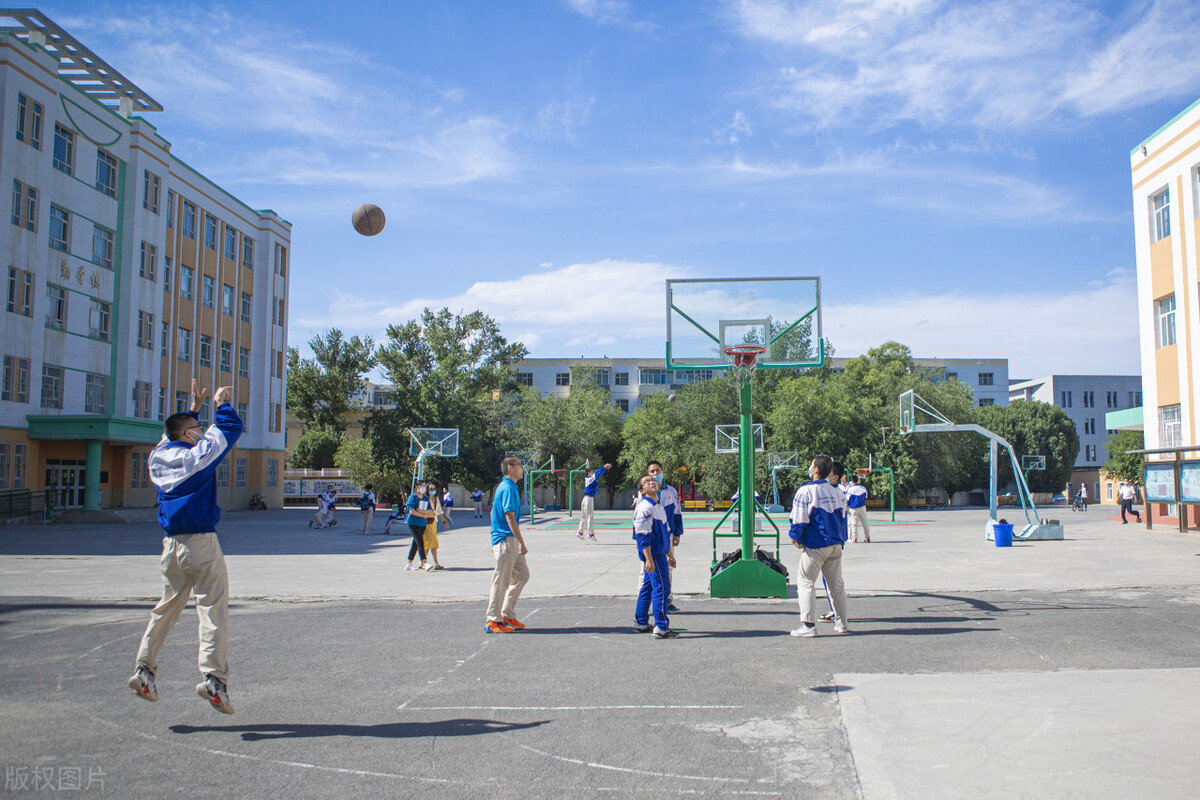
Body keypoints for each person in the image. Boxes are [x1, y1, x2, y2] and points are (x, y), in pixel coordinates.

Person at [127, 380, 242, 715]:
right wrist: (221, 403)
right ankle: (214, 679)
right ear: (190, 434)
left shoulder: (157, 458)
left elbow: (170, 434)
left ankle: (144, 670)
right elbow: (230, 429)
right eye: (197, 428)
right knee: (212, 609)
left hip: (170, 545)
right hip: (200, 543)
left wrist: (193, 409)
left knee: (165, 608)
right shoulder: (197, 458)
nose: (201, 431)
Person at [788, 454, 850, 638]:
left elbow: (799, 518)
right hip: (835, 544)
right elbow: (843, 519)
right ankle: (842, 624)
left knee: (806, 582)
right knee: (836, 586)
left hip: (816, 545)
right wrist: (841, 540)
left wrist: (795, 537)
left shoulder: (806, 491)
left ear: (815, 470)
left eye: (811, 465)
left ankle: (808, 625)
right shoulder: (837, 492)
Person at [486, 456, 530, 633]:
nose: (522, 469)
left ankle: (507, 614)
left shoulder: (507, 487)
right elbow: (509, 516)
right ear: (510, 467)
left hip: (507, 540)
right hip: (507, 540)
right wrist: (521, 542)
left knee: (522, 575)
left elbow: (493, 513)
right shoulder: (508, 488)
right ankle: (493, 620)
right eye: (520, 465)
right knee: (501, 580)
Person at [632, 474, 678, 639]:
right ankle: (661, 626)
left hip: (660, 553)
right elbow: (643, 536)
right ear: (642, 490)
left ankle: (641, 622)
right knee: (662, 588)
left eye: (652, 480)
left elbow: (664, 533)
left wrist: (670, 554)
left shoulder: (658, 507)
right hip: (655, 556)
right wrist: (649, 559)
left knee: (648, 587)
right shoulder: (644, 508)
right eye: (647, 482)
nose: (652, 482)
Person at [647, 461, 683, 612]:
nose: (655, 474)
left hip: (667, 535)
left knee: (668, 567)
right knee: (647, 569)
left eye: (657, 470)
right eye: (652, 471)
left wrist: (678, 533)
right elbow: (638, 519)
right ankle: (646, 604)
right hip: (650, 536)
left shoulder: (671, 491)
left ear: (663, 472)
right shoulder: (645, 493)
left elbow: (677, 512)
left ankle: (667, 600)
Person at [404, 481, 436, 571]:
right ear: (417, 487)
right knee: (420, 542)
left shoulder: (425, 498)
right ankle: (424, 562)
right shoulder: (413, 497)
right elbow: (412, 511)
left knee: (415, 543)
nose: (423, 488)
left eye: (424, 486)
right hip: (413, 523)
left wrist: (421, 512)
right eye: (422, 486)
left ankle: (409, 563)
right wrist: (423, 515)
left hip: (422, 523)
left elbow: (430, 510)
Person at [578, 463, 611, 541]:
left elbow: (596, 473)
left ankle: (580, 532)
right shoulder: (591, 479)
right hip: (589, 499)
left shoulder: (587, 478)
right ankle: (590, 534)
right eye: (591, 471)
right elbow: (597, 473)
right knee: (590, 516)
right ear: (588, 473)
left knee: (583, 516)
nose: (593, 472)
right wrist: (604, 467)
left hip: (585, 498)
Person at [424, 484, 445, 570]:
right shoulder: (424, 499)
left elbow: (439, 511)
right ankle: (436, 563)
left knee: (428, 544)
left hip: (433, 522)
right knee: (433, 542)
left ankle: (423, 562)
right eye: (430, 489)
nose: (432, 490)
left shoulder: (436, 499)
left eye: (433, 488)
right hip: (426, 523)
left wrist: (444, 522)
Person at [845, 475, 871, 543]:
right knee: (865, 523)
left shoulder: (850, 489)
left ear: (852, 481)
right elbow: (866, 497)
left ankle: (854, 538)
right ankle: (867, 537)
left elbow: (847, 499)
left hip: (853, 508)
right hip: (862, 507)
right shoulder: (863, 488)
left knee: (854, 524)